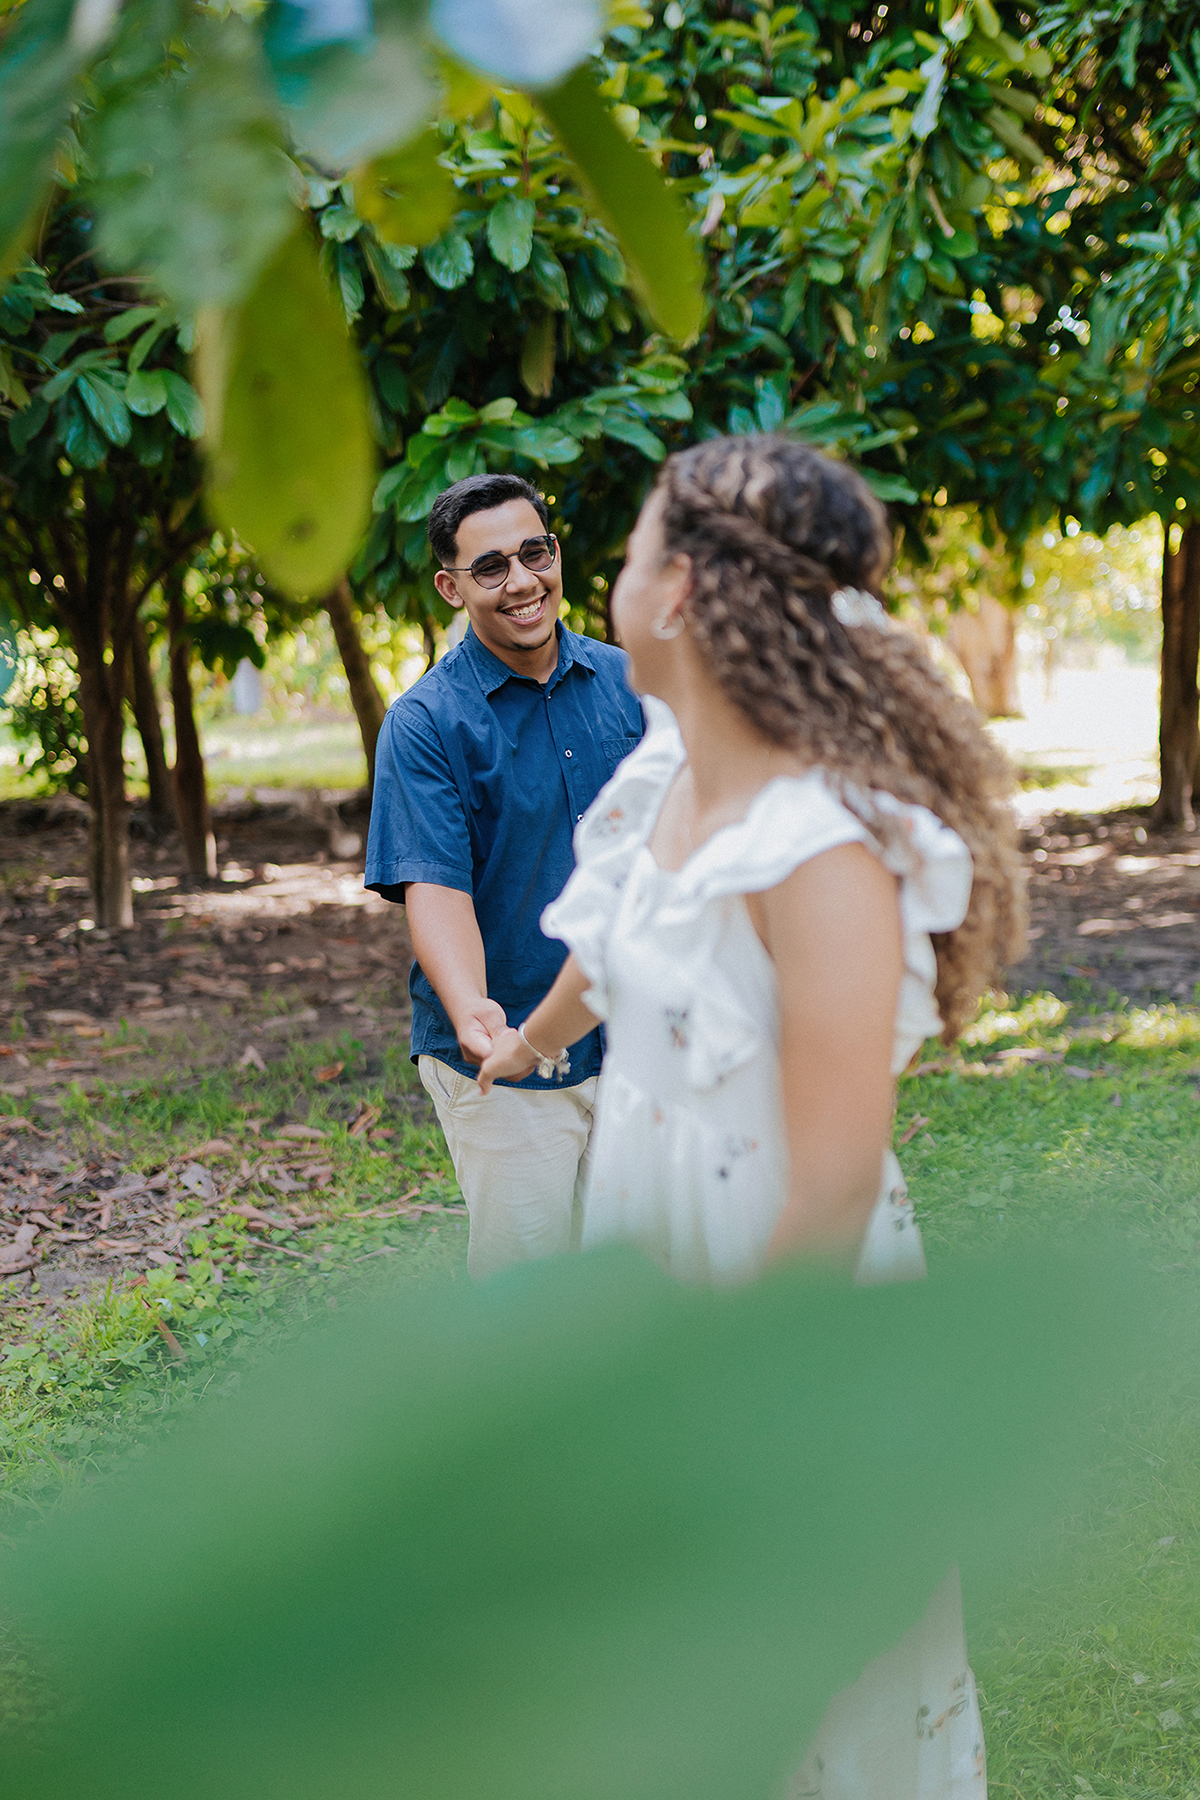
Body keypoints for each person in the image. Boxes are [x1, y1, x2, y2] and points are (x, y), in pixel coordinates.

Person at [478, 435, 1026, 1796]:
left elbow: (834, 1182)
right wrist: (532, 1042)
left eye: (633, 542)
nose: (605, 568)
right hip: (652, 1228)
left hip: (781, 1274)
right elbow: (613, 938)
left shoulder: (820, 850)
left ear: (682, 595)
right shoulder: (667, 774)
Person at [365, 472, 643, 1278]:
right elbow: (436, 885)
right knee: (531, 1289)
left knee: (646, 1280)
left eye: (535, 552)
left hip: (643, 1037)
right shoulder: (425, 724)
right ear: (452, 587)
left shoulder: (631, 684)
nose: (522, 581)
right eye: (491, 568)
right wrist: (473, 1011)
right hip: (512, 1050)